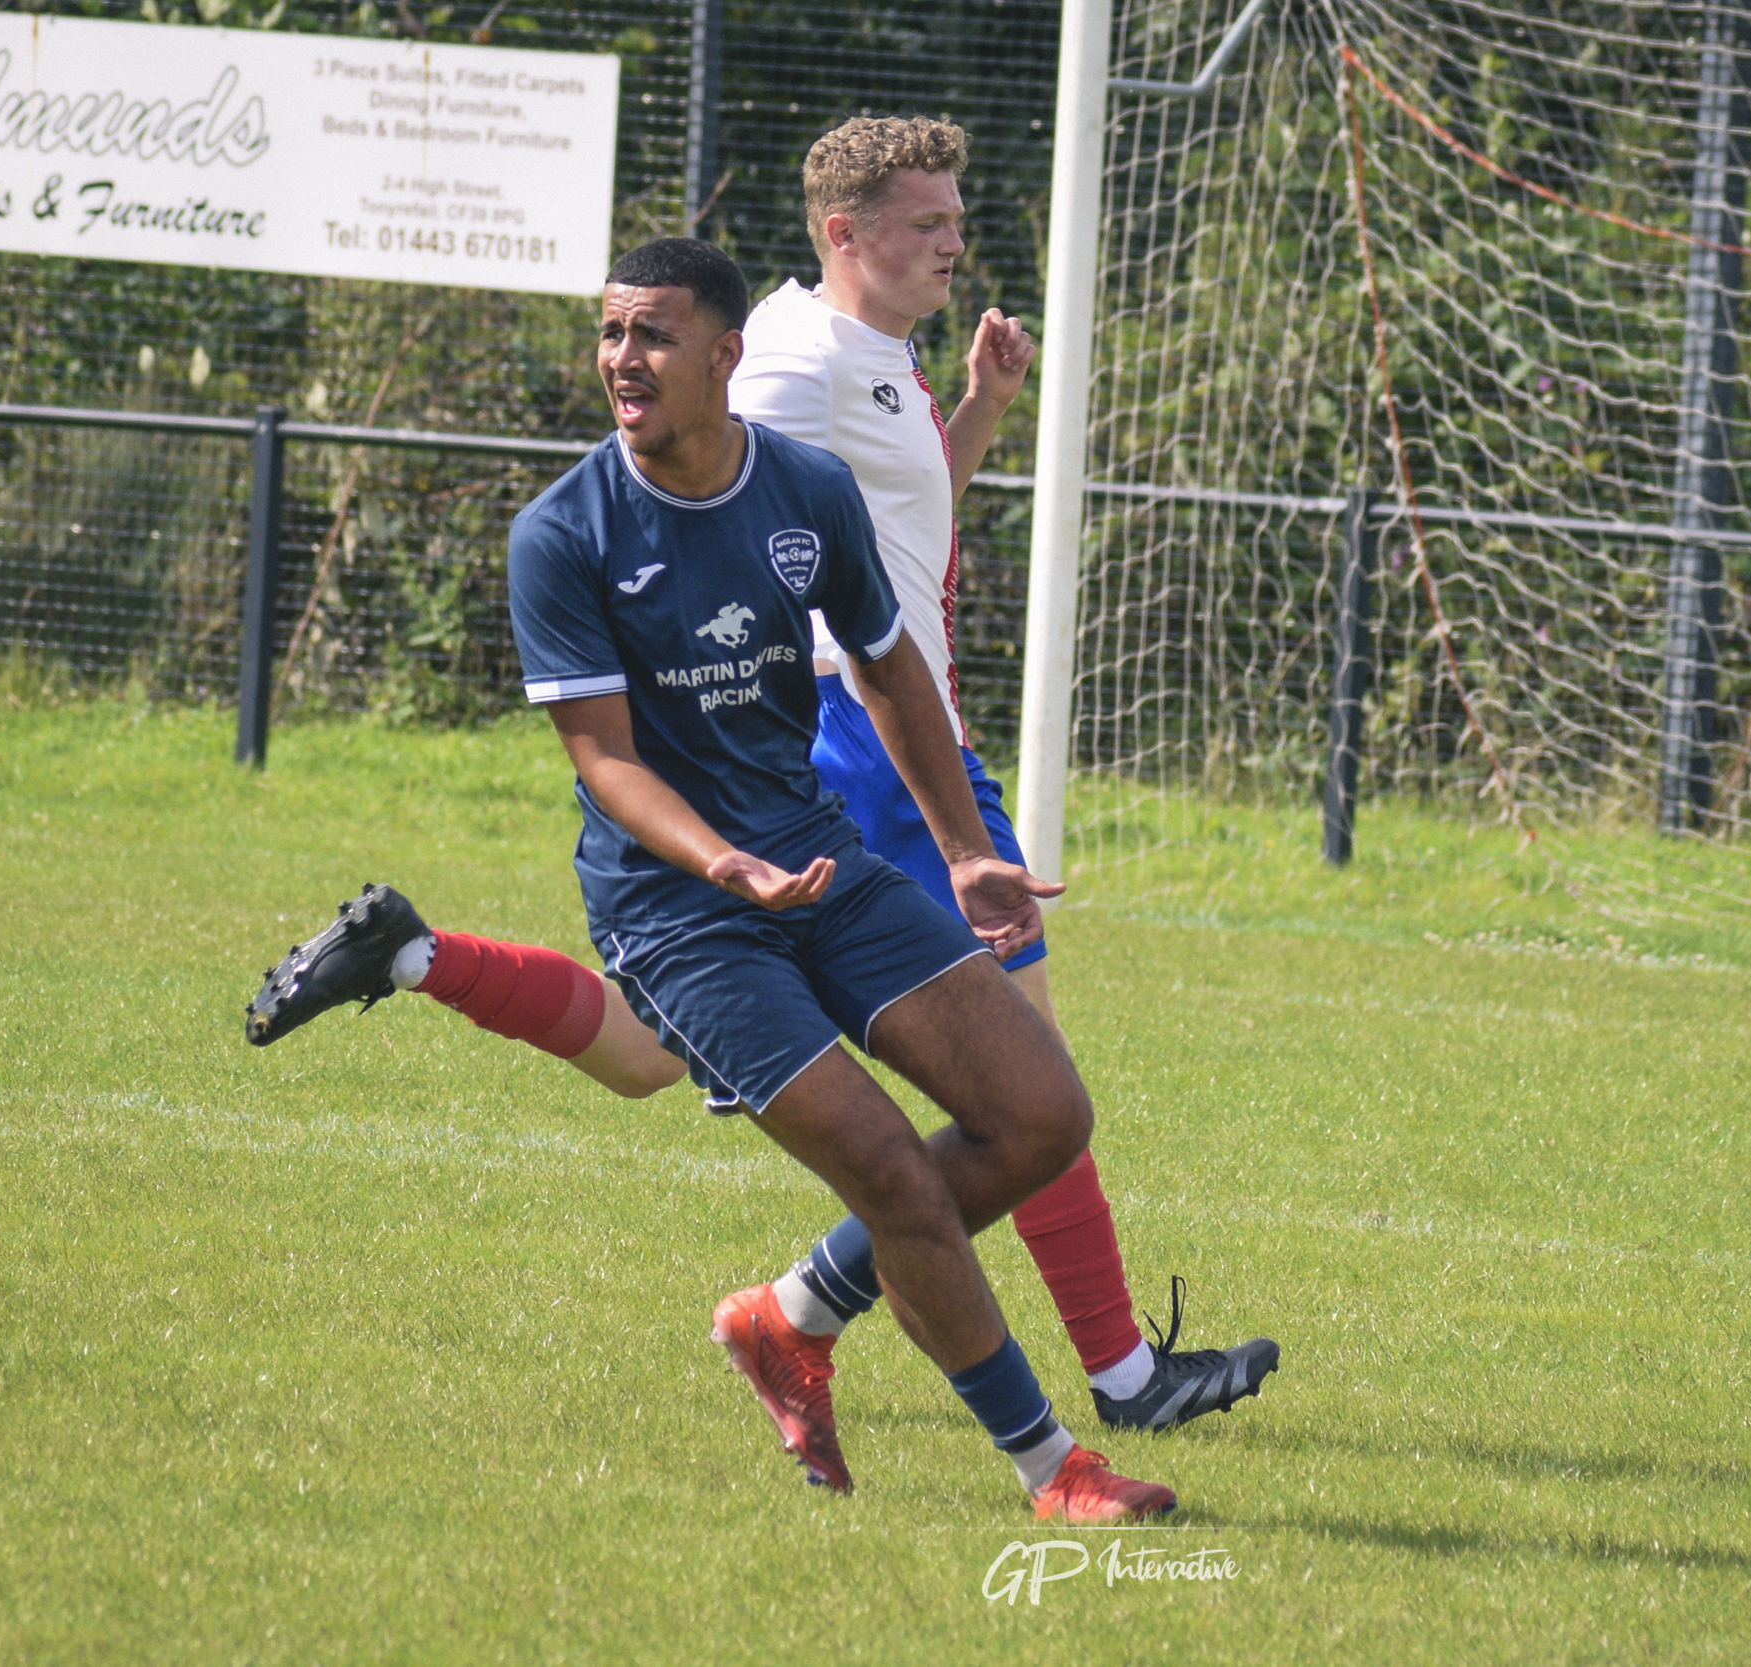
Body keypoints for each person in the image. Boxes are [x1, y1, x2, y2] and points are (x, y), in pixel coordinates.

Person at [246, 238, 1173, 1523]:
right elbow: (605, 762)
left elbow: (889, 668)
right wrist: (719, 858)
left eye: (655, 335)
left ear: (726, 353)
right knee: (894, 1176)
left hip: (822, 858)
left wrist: (965, 847)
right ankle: (1050, 1467)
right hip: (678, 912)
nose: (624, 358)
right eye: (613, 332)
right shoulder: (561, 531)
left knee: (1043, 1112)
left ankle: (785, 1318)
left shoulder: (804, 490)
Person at [722, 114, 1278, 1438]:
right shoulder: (791, 361)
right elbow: (712, 522)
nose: (953, 245)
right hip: (861, 741)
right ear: (844, 233)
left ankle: (801, 1312)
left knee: (1013, 1082)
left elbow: (903, 524)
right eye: (928, 224)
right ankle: (1084, 1372)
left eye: (958, 221)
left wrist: (979, 409)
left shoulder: (879, 355)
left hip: (902, 735)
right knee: (1025, 1083)